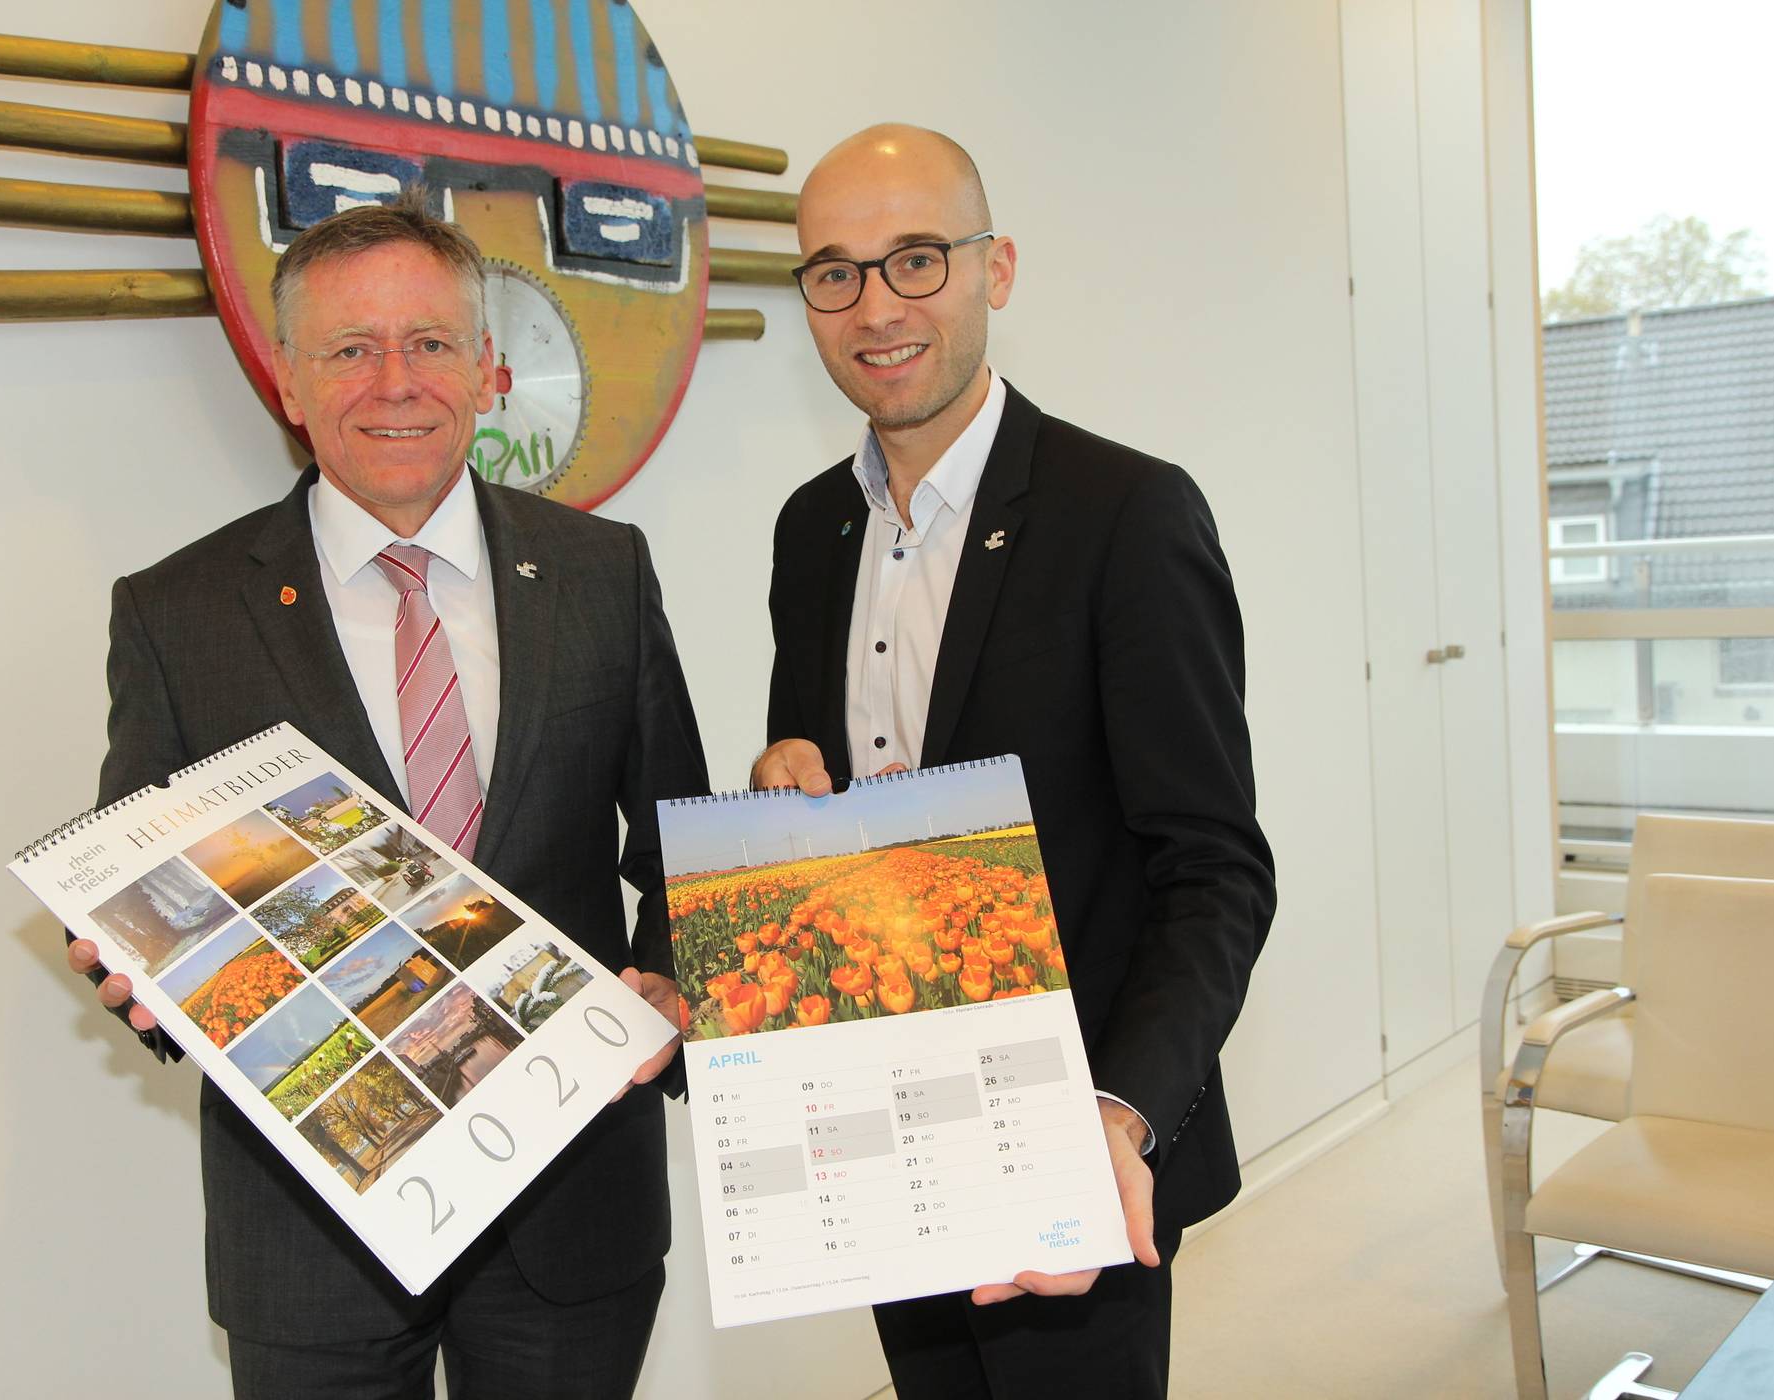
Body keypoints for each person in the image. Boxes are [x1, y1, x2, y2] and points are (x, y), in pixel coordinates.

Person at [64, 193, 708, 1400]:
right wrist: (134, 968)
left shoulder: (601, 572)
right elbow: (133, 874)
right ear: (290, 384)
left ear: (488, 368)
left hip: (572, 1199)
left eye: (429, 342)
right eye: (350, 349)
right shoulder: (179, 611)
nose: (395, 381)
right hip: (312, 1233)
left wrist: (675, 980)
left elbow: (679, 836)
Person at [753, 124, 1277, 1397]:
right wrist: (779, 789)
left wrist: (1121, 1112)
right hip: (885, 1130)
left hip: (1078, 1140)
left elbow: (1214, 869)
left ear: (998, 269)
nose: (876, 306)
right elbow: (814, 785)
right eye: (835, 271)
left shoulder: (1129, 514)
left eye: (916, 259)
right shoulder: (811, 528)